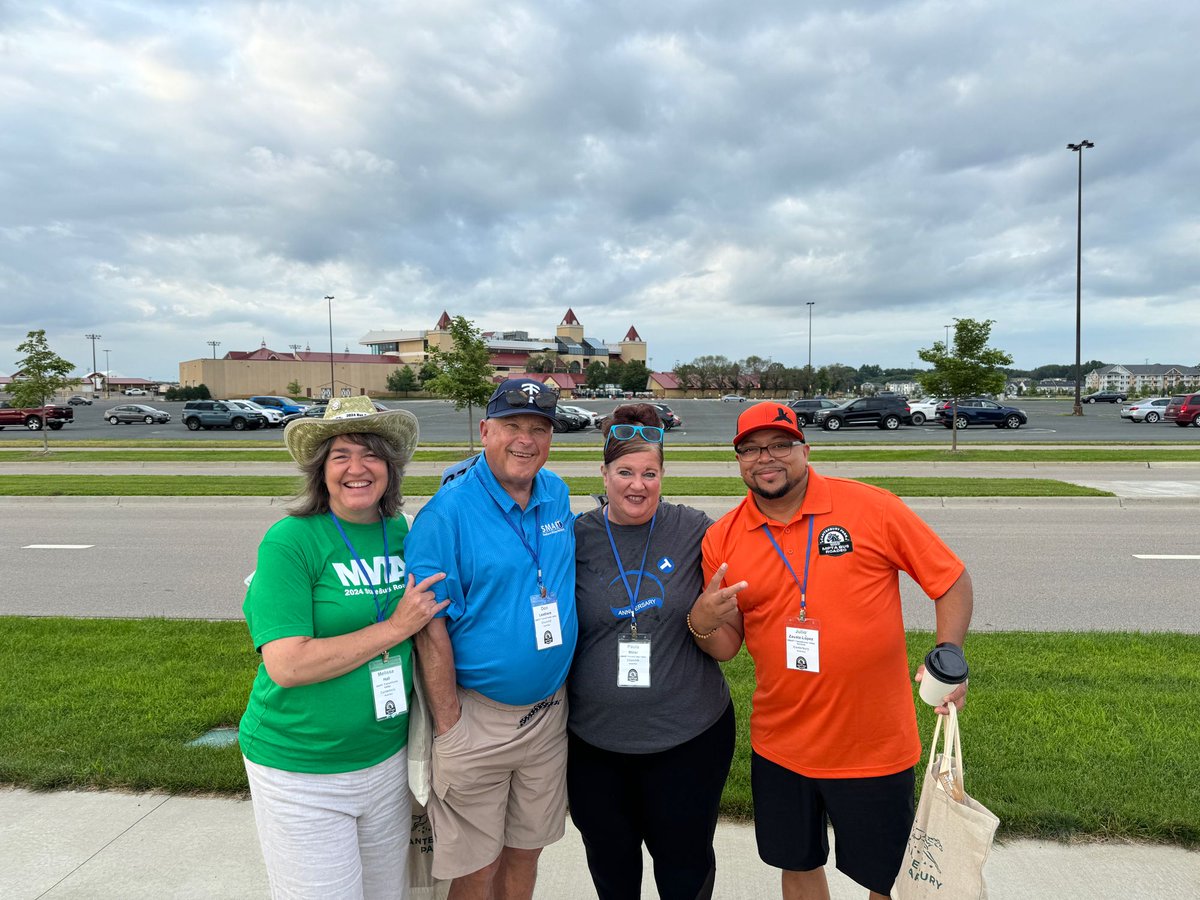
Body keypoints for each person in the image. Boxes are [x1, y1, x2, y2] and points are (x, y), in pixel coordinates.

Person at [695, 401, 973, 900]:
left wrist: (948, 656)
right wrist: (699, 623)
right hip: (781, 744)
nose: (767, 458)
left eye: (781, 444)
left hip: (874, 745)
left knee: (886, 877)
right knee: (796, 865)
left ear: (806, 449)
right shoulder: (723, 537)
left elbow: (950, 581)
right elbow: (726, 647)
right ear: (738, 459)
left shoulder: (872, 507)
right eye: (752, 449)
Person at [238, 395, 448, 900]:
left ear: (390, 467)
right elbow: (286, 664)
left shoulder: (401, 531)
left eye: (371, 454)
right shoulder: (290, 541)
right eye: (341, 456)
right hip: (301, 766)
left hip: (386, 759)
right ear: (321, 470)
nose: (357, 468)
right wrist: (394, 629)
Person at [406, 378, 577, 900]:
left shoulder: (556, 492)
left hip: (548, 716)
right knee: (476, 868)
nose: (525, 440)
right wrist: (451, 725)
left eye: (538, 429)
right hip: (477, 719)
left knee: (526, 852)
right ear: (485, 431)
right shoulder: (446, 514)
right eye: (511, 426)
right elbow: (428, 628)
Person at [567, 403, 738, 900]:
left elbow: (730, 641)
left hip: (689, 739)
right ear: (603, 472)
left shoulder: (694, 529)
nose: (636, 484)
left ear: (663, 473)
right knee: (613, 873)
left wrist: (706, 619)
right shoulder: (576, 538)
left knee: (685, 873)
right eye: (624, 471)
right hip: (594, 745)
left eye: (649, 472)